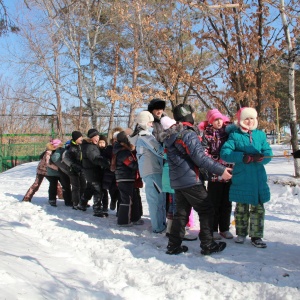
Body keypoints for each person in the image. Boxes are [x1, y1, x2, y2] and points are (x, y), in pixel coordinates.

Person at [161, 104, 232, 255]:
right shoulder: (188, 134)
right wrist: (221, 170)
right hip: (190, 180)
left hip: (178, 180)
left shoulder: (172, 134)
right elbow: (200, 158)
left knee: (181, 213)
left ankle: (173, 245)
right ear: (189, 115)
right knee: (207, 209)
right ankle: (208, 244)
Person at [220, 107, 273, 248]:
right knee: (242, 208)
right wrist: (242, 157)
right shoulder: (235, 135)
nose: (249, 121)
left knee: (258, 209)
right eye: (246, 118)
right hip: (242, 177)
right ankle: (241, 233)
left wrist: (263, 157)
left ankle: (256, 236)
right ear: (241, 120)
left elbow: (268, 151)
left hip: (257, 177)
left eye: (252, 118)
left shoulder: (260, 135)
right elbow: (225, 153)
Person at [199, 109, 234, 240]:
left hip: (229, 170)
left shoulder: (229, 132)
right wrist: (215, 160)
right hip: (214, 172)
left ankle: (224, 228)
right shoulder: (207, 134)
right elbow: (204, 153)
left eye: (220, 119)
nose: (219, 122)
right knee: (214, 201)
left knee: (227, 202)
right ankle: (213, 228)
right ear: (210, 121)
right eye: (215, 120)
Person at [131, 111, 166, 233]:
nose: (152, 124)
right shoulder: (145, 136)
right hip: (152, 171)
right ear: (144, 123)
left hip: (152, 171)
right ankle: (158, 226)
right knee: (156, 200)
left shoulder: (142, 136)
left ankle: (161, 224)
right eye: (150, 122)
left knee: (159, 199)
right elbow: (161, 152)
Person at [111, 131, 143, 226]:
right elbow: (131, 164)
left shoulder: (123, 150)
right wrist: (140, 163)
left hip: (128, 178)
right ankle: (123, 221)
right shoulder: (123, 152)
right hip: (124, 178)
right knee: (127, 200)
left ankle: (134, 218)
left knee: (133, 199)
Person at [79, 129, 110, 217]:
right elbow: (95, 159)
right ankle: (97, 210)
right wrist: (106, 162)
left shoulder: (90, 145)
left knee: (90, 189)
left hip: (90, 171)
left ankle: (82, 204)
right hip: (93, 172)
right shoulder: (90, 147)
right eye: (96, 136)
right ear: (91, 137)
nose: (98, 138)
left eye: (98, 136)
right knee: (98, 191)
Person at [62, 131, 86, 209]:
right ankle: (75, 203)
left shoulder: (82, 146)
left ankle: (82, 201)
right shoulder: (71, 148)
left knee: (83, 186)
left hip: (81, 169)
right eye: (80, 137)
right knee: (76, 187)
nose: (81, 139)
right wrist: (72, 165)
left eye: (82, 137)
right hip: (73, 170)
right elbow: (65, 158)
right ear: (76, 139)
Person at [45, 139, 69, 207]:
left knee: (65, 186)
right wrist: (59, 168)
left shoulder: (62, 150)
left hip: (60, 172)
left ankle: (67, 199)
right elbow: (48, 163)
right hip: (53, 172)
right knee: (53, 186)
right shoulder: (49, 152)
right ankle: (52, 200)